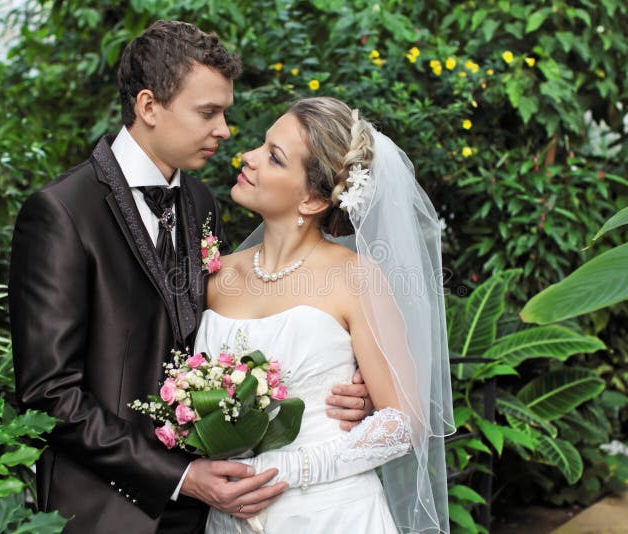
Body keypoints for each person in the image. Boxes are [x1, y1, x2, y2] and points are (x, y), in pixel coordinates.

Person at [8, 21, 370, 534]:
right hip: (106, 510)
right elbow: (49, 395)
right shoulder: (61, 214)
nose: (224, 130)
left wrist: (350, 384)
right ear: (149, 106)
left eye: (224, 112)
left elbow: (233, 336)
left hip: (211, 510)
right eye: (208, 113)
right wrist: (179, 477)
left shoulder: (201, 202)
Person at [195, 97, 455, 533]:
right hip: (227, 515)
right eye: (262, 145)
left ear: (313, 200)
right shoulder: (219, 275)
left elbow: (404, 421)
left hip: (330, 513)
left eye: (273, 157)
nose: (249, 158)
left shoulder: (357, 279)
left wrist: (293, 469)